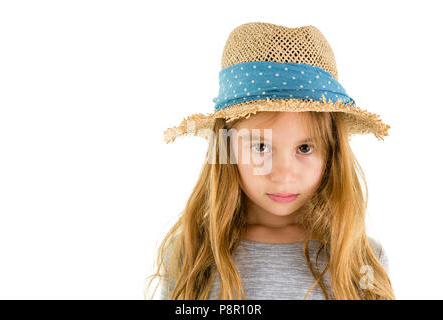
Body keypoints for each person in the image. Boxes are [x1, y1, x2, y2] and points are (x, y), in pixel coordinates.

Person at [147, 22, 394, 300]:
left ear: (332, 153)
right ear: (227, 149)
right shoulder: (191, 255)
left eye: (304, 148)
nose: (284, 175)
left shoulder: (361, 259)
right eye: (261, 146)